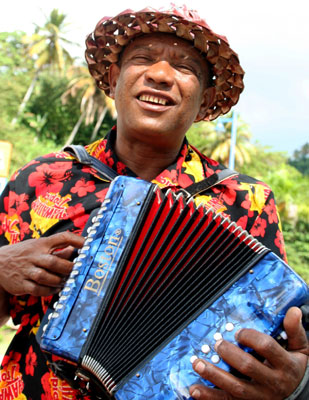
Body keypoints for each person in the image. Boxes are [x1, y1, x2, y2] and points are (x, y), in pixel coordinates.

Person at [0, 4, 308, 400]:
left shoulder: (246, 200)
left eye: (185, 68)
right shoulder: (42, 178)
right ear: (113, 79)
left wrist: (297, 385)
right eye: (143, 59)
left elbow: (274, 337)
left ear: (205, 98)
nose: (160, 75)